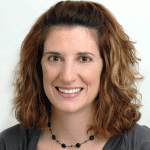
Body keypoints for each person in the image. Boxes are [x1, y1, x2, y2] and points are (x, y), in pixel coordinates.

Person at [0, 0, 150, 150]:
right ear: (37, 66)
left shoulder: (142, 144)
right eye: (55, 58)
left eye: (84, 59)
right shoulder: (8, 144)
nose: (67, 76)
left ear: (107, 68)